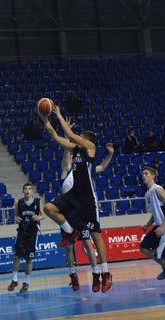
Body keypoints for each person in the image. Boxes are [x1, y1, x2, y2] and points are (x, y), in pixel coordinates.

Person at [40, 105, 113, 293]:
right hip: (73, 196)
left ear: (87, 140)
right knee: (48, 208)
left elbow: (71, 135)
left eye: (82, 136)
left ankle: (104, 273)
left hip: (88, 198)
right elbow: (56, 137)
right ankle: (70, 230)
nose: (78, 137)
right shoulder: (75, 151)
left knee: (95, 237)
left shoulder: (90, 148)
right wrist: (45, 119)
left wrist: (58, 114)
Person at [60, 117, 114, 292]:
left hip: (82, 205)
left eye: (80, 137)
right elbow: (67, 151)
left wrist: (110, 155)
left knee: (87, 242)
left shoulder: (88, 164)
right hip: (67, 209)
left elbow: (102, 167)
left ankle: (96, 274)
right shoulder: (69, 166)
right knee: (68, 247)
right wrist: (67, 135)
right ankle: (73, 276)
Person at [7, 182, 45, 293]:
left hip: (32, 233)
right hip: (22, 232)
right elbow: (15, 216)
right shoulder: (18, 202)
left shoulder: (38, 201)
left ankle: (26, 283)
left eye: (29, 189)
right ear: (23, 191)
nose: (27, 191)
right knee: (16, 257)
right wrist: (16, 219)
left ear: (32, 191)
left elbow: (43, 215)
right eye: (25, 189)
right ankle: (14, 280)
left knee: (29, 259)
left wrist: (38, 217)